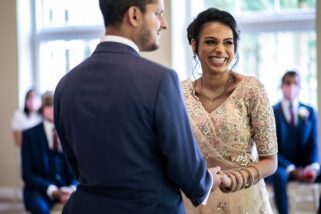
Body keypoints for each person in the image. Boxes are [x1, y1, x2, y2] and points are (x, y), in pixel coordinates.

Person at [54, 1, 222, 213]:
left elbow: (75, 165)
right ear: (134, 15)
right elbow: (184, 165)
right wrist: (206, 181)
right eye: (158, 14)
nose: (163, 24)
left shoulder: (65, 84)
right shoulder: (161, 80)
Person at [181, 8, 278, 213]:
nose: (220, 49)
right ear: (194, 45)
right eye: (210, 41)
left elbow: (270, 161)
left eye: (228, 42)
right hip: (196, 201)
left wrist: (234, 179)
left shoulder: (252, 90)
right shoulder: (179, 93)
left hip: (244, 202)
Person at [268, 71, 319, 214]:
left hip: (304, 164)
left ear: (300, 87)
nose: (291, 87)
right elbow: (270, 149)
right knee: (279, 175)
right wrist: (292, 169)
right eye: (288, 83)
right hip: (281, 165)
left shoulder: (309, 111)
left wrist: (313, 167)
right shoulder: (271, 112)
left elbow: (314, 144)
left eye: (295, 83)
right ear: (282, 86)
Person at [21, 91, 78, 214]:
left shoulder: (70, 132)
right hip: (40, 190)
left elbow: (78, 168)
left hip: (67, 188)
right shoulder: (29, 135)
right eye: (48, 106)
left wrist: (72, 188)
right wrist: (52, 190)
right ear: (42, 109)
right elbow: (27, 174)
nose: (52, 109)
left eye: (55, 106)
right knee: (40, 209)